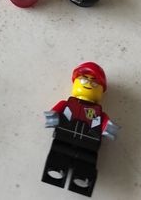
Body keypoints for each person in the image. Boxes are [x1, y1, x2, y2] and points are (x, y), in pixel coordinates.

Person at [42, 62, 119, 197]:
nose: (88, 84)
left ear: (101, 90)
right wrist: (52, 119)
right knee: (58, 156)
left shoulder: (98, 112)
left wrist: (109, 129)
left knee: (86, 163)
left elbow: (105, 124)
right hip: (63, 138)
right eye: (84, 80)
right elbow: (54, 112)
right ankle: (56, 169)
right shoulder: (67, 104)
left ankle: (82, 178)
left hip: (88, 145)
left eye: (94, 83)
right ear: (76, 83)